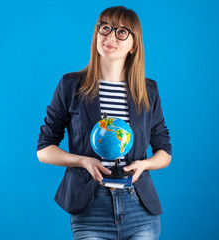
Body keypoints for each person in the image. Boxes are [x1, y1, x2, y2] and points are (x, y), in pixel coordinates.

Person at [37, 6, 172, 240]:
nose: (110, 36)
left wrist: (144, 165)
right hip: (90, 208)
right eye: (105, 28)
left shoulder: (148, 90)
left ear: (134, 45)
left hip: (139, 206)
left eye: (122, 32)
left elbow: (165, 151)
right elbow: (44, 150)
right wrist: (82, 161)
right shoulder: (71, 85)